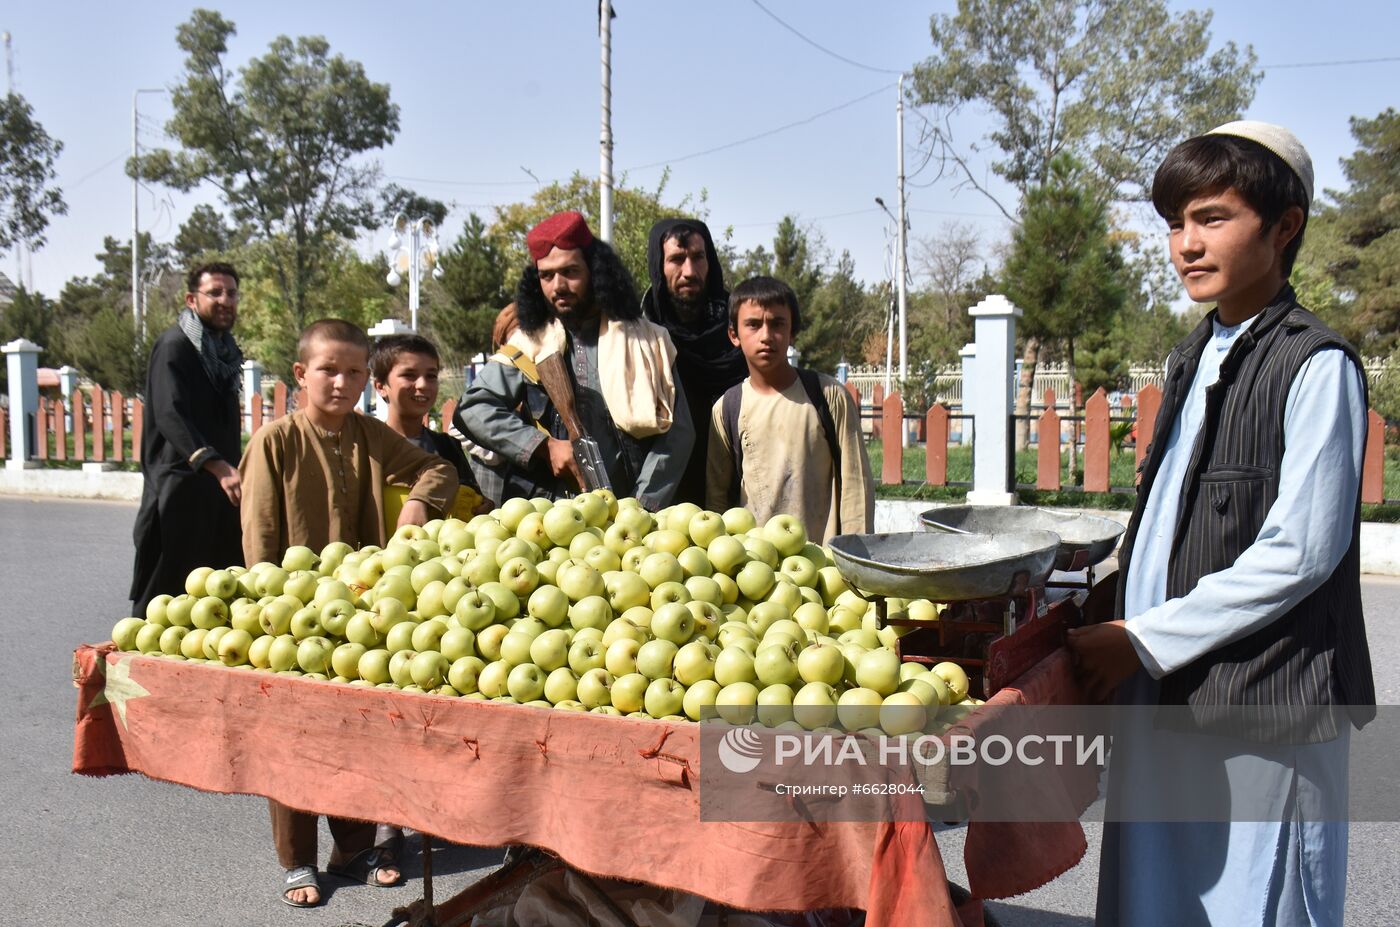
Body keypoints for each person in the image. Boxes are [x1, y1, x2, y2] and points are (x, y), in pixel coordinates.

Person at [1067, 122, 1374, 926]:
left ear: (1285, 226)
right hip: (1170, 690)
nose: (1186, 245)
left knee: (1255, 898)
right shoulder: (1192, 354)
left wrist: (1143, 637)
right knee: (1160, 898)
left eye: (1212, 218)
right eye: (1176, 224)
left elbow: (1302, 550)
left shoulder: (1315, 364)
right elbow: (1170, 514)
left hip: (1263, 704)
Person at [240, 319, 459, 908]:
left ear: (368, 377)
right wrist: (269, 601)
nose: (342, 382)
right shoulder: (275, 440)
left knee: (355, 730)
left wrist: (416, 503)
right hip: (290, 609)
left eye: (354, 372)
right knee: (292, 734)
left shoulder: (369, 436)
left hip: (362, 606)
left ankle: (352, 848)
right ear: (300, 375)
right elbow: (260, 531)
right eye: (328, 370)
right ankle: (296, 860)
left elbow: (438, 469)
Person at [456, 210, 693, 510]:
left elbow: (678, 435)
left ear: (596, 270)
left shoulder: (649, 341)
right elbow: (474, 407)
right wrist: (543, 446)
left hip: (637, 518)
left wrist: (640, 506)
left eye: (570, 272)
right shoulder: (531, 345)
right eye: (547, 276)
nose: (558, 286)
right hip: (554, 517)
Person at [706, 276, 873, 541]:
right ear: (734, 335)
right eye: (753, 325)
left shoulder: (828, 397)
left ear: (792, 331)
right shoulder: (727, 408)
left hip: (822, 569)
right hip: (755, 572)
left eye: (777, 324)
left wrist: (857, 560)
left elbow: (856, 486)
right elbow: (716, 501)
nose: (766, 336)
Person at [130, 262, 245, 614]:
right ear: (191, 299)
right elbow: (169, 413)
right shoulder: (175, 345)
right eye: (215, 293)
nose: (225, 300)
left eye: (231, 293)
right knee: (165, 592)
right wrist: (215, 465)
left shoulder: (223, 352)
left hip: (218, 489)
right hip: (179, 488)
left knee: (217, 592)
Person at [641, 218, 748, 506]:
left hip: (738, 498)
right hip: (664, 501)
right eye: (676, 259)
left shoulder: (742, 331)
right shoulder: (641, 338)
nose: (689, 271)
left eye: (698, 257)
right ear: (658, 266)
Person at [370, 331, 485, 517]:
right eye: (409, 375)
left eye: (431, 376)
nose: (423, 384)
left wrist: (480, 507)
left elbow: (470, 497)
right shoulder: (371, 449)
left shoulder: (448, 448)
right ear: (380, 387)